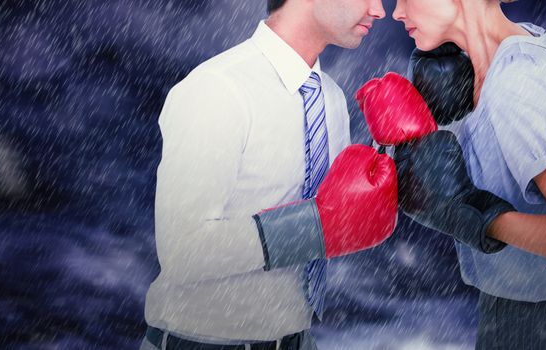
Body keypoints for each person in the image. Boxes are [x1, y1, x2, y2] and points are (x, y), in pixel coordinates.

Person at [356, 0, 546, 348]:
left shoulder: (517, 80)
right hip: (512, 314)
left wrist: (472, 212)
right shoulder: (489, 65)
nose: (397, 13)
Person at [139, 1, 394, 349]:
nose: (379, 11)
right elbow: (182, 251)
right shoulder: (217, 90)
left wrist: (400, 162)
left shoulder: (331, 99)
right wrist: (314, 225)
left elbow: (336, 227)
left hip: (298, 340)